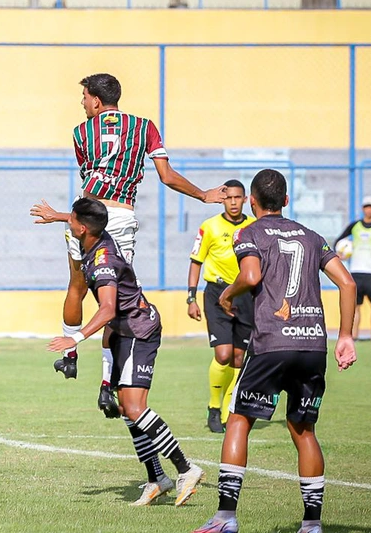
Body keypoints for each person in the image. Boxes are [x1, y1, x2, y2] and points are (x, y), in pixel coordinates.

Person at [30, 73, 227, 406]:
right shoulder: (145, 127)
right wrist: (203, 195)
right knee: (117, 299)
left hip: (84, 216)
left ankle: (70, 354)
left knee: (77, 285)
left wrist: (64, 216)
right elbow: (166, 176)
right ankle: (107, 382)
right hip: (121, 216)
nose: (82, 103)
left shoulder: (80, 132)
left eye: (84, 97)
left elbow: (91, 176)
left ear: (95, 98)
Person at [191, 169, 357, 533]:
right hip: (312, 343)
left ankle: (225, 518)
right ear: (285, 201)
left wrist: (227, 294)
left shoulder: (248, 232)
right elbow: (348, 282)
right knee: (303, 429)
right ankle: (312, 525)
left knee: (239, 420)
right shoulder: (312, 237)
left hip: (271, 342)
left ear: (251, 201)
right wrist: (345, 336)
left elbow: (250, 276)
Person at [48, 197, 205, 507]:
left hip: (138, 332)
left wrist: (75, 338)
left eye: (71, 222)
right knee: (126, 410)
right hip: (124, 333)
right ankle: (156, 478)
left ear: (82, 229)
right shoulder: (97, 237)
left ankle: (186, 469)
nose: (69, 225)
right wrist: (57, 216)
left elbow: (107, 310)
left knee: (135, 408)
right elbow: (91, 217)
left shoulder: (102, 260)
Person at [186, 179, 255, 433]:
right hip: (216, 292)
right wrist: (191, 297)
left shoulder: (253, 226)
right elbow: (196, 261)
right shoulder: (209, 227)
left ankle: (229, 411)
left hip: (246, 294)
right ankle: (214, 407)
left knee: (239, 357)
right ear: (222, 199)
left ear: (245, 200)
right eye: (229, 198)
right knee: (223, 354)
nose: (233, 202)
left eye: (238, 198)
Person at [334, 197, 371, 343]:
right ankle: (355, 335)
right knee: (356, 306)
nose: (369, 209)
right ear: (363, 209)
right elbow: (338, 241)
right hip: (357, 271)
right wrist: (340, 254)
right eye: (366, 206)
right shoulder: (354, 226)